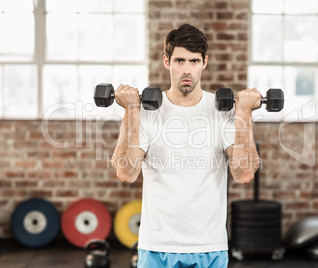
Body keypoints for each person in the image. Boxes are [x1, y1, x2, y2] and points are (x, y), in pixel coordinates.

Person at [111, 24, 261, 268]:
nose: (187, 70)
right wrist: (130, 110)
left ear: (204, 62)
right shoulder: (146, 113)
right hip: (157, 246)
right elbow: (126, 173)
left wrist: (243, 111)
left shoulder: (225, 112)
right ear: (166, 61)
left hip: (209, 246)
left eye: (194, 61)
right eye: (180, 60)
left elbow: (243, 174)